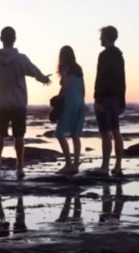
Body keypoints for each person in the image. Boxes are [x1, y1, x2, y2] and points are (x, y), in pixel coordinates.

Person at [0, 26, 51, 178]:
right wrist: (44, 78)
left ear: (1, 39)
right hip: (18, 102)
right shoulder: (21, 59)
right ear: (14, 39)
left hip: (0, 103)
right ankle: (20, 167)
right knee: (19, 136)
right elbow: (34, 71)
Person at [92, 26, 126, 177]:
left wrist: (97, 98)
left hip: (105, 98)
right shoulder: (119, 55)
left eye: (102, 36)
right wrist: (122, 101)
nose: (100, 39)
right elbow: (122, 80)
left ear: (106, 37)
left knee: (105, 132)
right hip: (115, 98)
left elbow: (101, 78)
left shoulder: (104, 55)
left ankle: (105, 166)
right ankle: (118, 165)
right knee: (115, 131)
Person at [55, 46, 86, 175]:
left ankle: (68, 163)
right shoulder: (78, 69)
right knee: (75, 134)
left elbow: (66, 84)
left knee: (59, 133)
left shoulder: (64, 67)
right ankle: (75, 164)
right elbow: (83, 89)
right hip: (80, 102)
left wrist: (58, 98)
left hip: (70, 102)